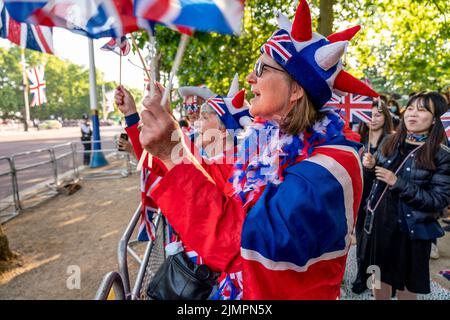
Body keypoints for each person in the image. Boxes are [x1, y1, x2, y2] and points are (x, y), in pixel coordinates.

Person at [137, 0, 380, 299]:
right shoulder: (264, 145)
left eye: (260, 68)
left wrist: (168, 150)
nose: (250, 77)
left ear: (296, 89)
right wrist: (165, 140)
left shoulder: (331, 166)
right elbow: (214, 178)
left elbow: (244, 245)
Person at [362, 91, 450, 300]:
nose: (412, 114)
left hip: (412, 230)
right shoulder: (389, 142)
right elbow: (375, 181)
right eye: (410, 108)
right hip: (379, 225)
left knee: (407, 284)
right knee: (377, 275)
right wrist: (370, 167)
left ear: (435, 118)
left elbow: (437, 201)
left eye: (422, 110)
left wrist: (397, 182)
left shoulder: (442, 154)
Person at [352, 100, 394, 294]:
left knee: (380, 241)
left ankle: (380, 280)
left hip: (383, 198)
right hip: (361, 195)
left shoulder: (393, 140)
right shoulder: (357, 138)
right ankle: (362, 276)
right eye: (370, 114)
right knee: (362, 238)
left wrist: (375, 165)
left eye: (378, 114)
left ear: (386, 116)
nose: (374, 119)